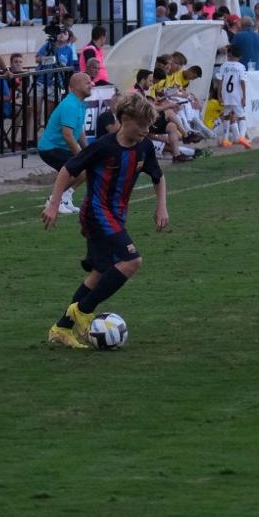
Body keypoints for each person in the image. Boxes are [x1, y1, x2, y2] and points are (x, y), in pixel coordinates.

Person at [41, 92, 169, 349]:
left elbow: (158, 176)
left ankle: (61, 328)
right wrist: (54, 204)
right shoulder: (104, 146)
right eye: (142, 124)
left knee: (100, 273)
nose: (146, 130)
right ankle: (83, 310)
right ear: (125, 119)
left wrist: (161, 207)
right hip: (97, 214)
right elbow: (68, 170)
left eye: (148, 125)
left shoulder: (143, 146)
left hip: (117, 215)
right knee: (131, 261)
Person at [38, 72, 93, 214]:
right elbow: (68, 136)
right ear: (75, 86)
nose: (91, 84)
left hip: (59, 147)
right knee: (80, 169)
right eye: (86, 82)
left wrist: (88, 151)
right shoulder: (70, 104)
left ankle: (65, 197)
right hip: (50, 148)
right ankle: (53, 201)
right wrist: (82, 157)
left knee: (86, 168)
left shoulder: (79, 104)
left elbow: (78, 130)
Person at [215, 44, 250, 149]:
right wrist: (244, 97)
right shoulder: (240, 67)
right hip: (236, 95)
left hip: (226, 95)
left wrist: (219, 94)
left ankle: (225, 139)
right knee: (241, 116)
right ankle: (242, 137)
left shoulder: (224, 66)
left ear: (229, 54)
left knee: (226, 115)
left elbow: (219, 81)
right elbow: (243, 82)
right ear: (239, 56)